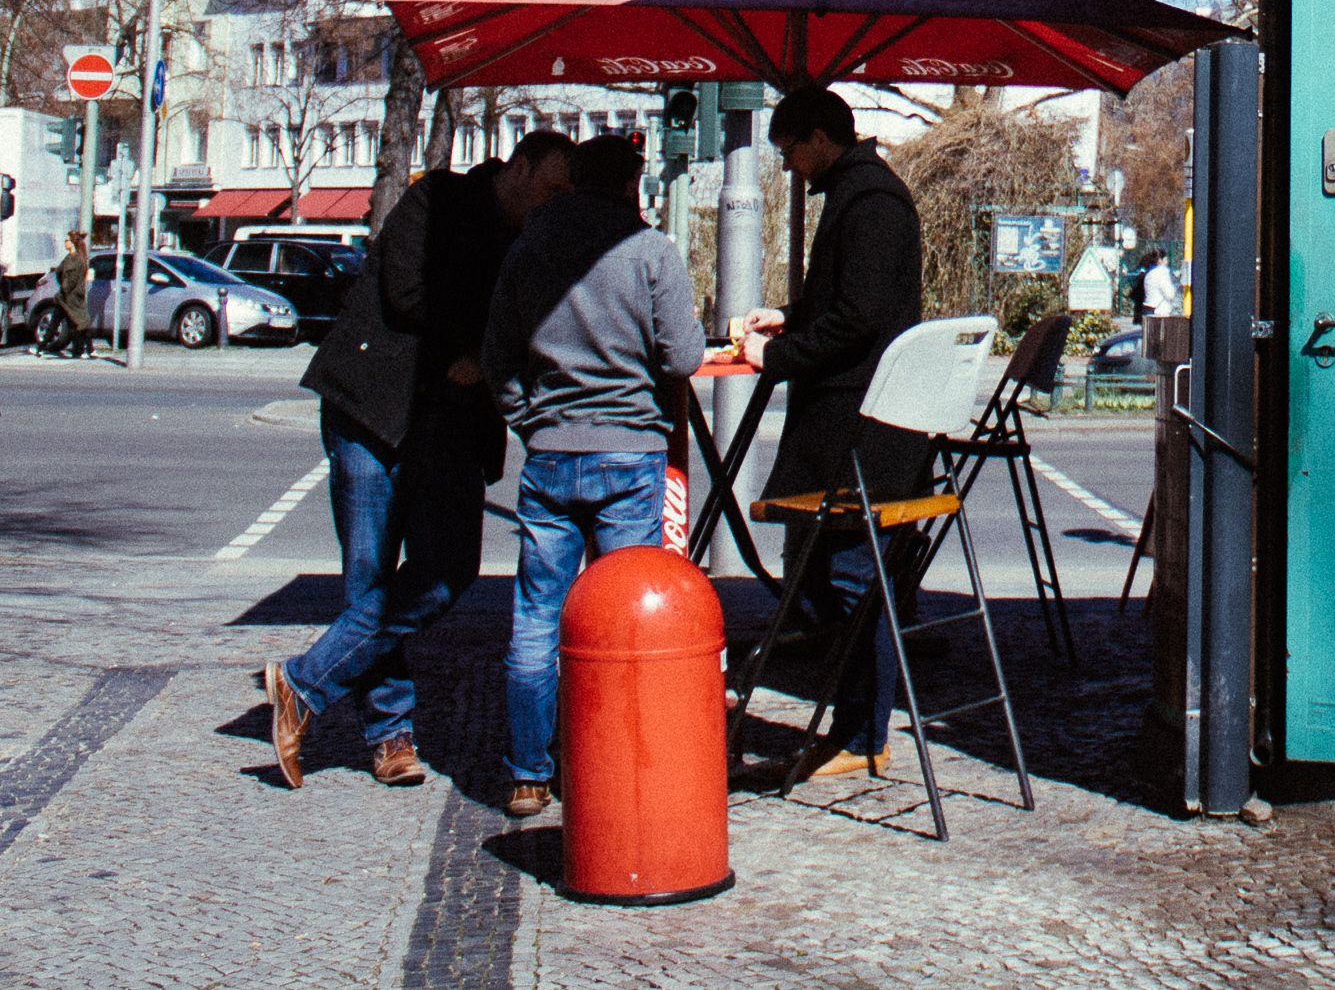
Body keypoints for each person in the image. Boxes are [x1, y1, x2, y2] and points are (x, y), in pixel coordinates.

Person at [261, 130, 572, 791]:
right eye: (549, 186)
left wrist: (490, 354)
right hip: (372, 406)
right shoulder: (437, 196)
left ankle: (303, 680)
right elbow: (406, 289)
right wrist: (482, 342)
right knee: (370, 577)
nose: (553, 200)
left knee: (446, 568)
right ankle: (388, 733)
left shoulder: (535, 239)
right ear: (517, 167)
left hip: (449, 427)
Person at [483, 132, 703, 820]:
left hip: (550, 453)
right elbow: (686, 356)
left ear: (573, 180)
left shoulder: (528, 249)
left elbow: (498, 360)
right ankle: (609, 759)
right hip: (629, 452)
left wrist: (533, 420)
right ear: (635, 181)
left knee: (536, 616)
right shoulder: (649, 253)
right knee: (620, 619)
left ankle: (528, 773)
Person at [738, 85, 925, 786]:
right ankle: (857, 725)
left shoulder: (870, 201)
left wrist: (776, 357)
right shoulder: (864, 193)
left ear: (818, 137)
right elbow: (843, 302)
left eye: (789, 150)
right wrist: (784, 316)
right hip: (855, 426)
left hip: (860, 432)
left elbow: (857, 318)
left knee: (844, 578)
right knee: (830, 574)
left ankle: (863, 730)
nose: (790, 167)